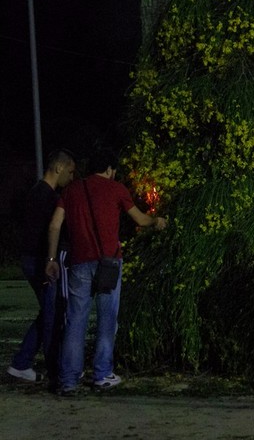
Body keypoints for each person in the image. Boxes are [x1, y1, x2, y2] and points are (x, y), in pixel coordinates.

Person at [45, 148, 166, 396]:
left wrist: (51, 258)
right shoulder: (117, 189)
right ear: (110, 169)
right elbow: (141, 220)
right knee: (107, 319)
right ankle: (101, 374)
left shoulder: (71, 190)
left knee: (75, 321)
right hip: (109, 263)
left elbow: (55, 224)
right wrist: (157, 222)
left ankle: (68, 380)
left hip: (78, 263)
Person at [7, 149, 76, 385]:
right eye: (70, 171)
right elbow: (51, 230)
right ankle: (56, 370)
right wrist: (51, 260)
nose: (71, 177)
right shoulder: (48, 197)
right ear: (58, 168)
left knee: (49, 311)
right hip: (40, 261)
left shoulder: (35, 192)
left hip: (30, 259)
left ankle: (21, 362)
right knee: (52, 314)